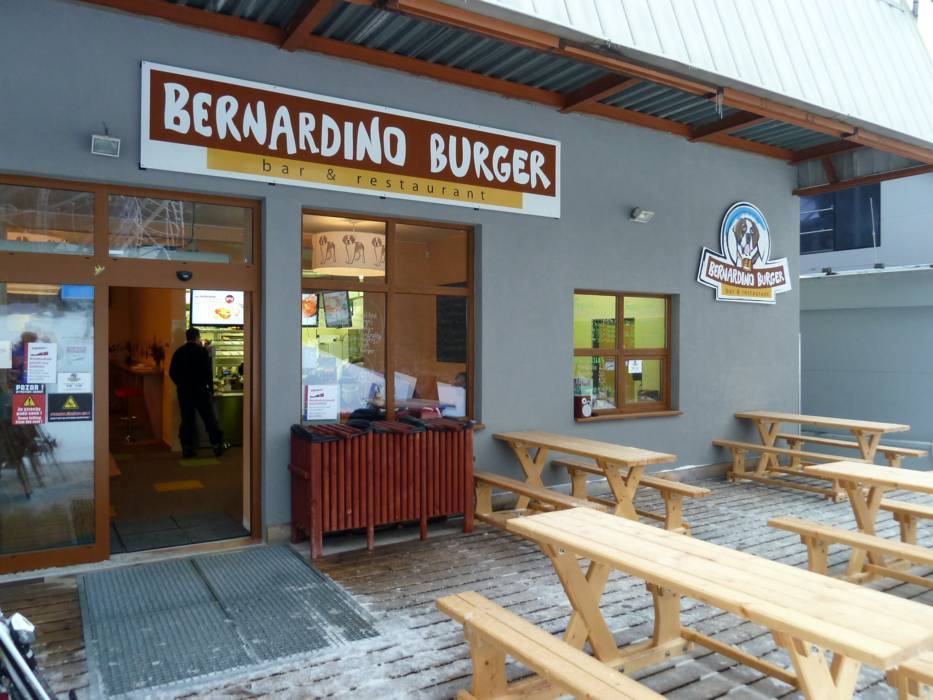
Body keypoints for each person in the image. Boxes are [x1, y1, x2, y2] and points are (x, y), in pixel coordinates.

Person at [169, 327, 226, 458]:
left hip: (184, 392)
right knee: (209, 418)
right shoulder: (202, 351)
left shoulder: (179, 352)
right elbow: (208, 373)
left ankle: (187, 448)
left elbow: (172, 372)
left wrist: (180, 384)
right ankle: (216, 445)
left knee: (187, 419)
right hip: (200, 390)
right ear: (197, 337)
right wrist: (211, 389)